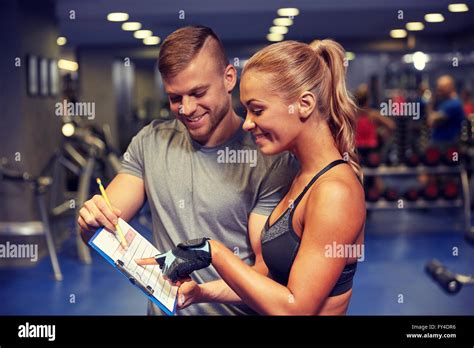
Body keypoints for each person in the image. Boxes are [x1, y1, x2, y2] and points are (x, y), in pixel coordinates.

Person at [77, 25, 298, 315]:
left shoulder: (269, 158)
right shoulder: (151, 142)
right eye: (175, 98)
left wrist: (203, 292)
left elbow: (265, 271)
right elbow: (105, 227)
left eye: (198, 92)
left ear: (229, 78)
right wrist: (91, 219)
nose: (187, 108)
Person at [137, 39, 366, 315]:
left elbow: (295, 308)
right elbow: (270, 283)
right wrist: (201, 292)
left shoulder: (335, 191)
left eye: (257, 110)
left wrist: (213, 252)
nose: (247, 123)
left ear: (304, 105)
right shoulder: (303, 177)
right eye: (246, 110)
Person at [427, 75, 465, 148]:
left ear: (449, 87)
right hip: (440, 142)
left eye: (441, 88)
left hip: (447, 144)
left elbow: (432, 120)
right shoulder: (444, 103)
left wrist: (432, 100)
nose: (438, 90)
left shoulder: (454, 104)